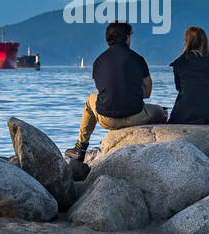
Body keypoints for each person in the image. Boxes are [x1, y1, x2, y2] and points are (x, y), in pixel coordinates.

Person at [65, 21, 166, 160]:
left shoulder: (98, 61)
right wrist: (131, 94)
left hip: (108, 120)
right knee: (160, 111)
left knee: (90, 100)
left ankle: (80, 147)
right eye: (130, 36)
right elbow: (147, 92)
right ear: (126, 37)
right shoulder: (138, 59)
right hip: (136, 117)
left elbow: (103, 92)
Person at [168, 26, 209, 126]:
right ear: (205, 41)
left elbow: (179, 88)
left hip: (185, 114)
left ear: (186, 41)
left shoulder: (179, 63)